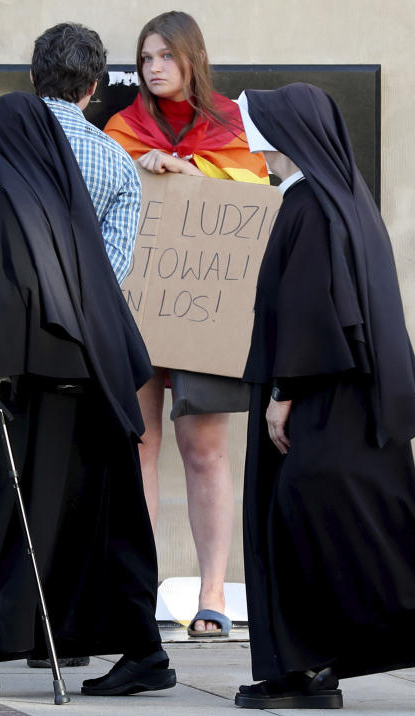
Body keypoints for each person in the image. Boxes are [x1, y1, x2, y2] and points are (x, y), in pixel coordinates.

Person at [0, 91, 175, 700]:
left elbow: (4, 288)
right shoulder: (72, 207)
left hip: (20, 391)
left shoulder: (7, 207)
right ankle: (143, 651)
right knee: (94, 523)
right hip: (91, 390)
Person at [234, 82, 415, 709]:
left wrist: (283, 392)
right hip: (348, 394)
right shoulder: (336, 198)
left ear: (289, 134)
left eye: (262, 131)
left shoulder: (312, 206)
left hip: (325, 396)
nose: (254, 144)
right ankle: (306, 671)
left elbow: (309, 310)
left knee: (325, 515)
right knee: (324, 518)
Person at [0, 20, 140, 606]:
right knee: (59, 487)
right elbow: (110, 272)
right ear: (95, 86)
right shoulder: (116, 161)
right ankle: (54, 632)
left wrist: (21, 284)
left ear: (31, 78)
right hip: (78, 350)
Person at [103, 10, 268, 638]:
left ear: (191, 58)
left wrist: (192, 176)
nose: (153, 69)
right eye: (145, 59)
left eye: (164, 57)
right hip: (140, 311)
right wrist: (142, 169)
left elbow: (255, 197)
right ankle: (139, 593)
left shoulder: (232, 124)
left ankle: (213, 595)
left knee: (204, 453)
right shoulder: (121, 127)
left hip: (205, 313)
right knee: (140, 450)